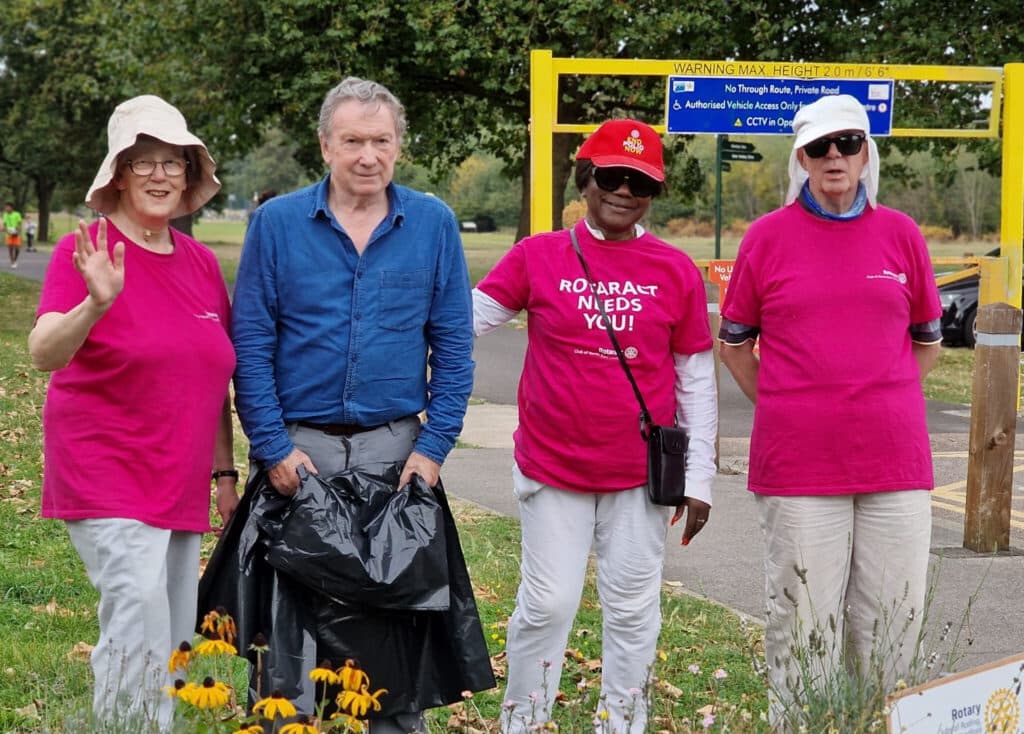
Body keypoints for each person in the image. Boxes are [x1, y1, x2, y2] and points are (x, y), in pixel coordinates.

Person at [231, 76, 476, 733]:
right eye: (353, 141)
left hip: (395, 458)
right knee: (288, 653)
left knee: (393, 652)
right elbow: (250, 346)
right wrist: (272, 448)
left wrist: (432, 450)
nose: (368, 155)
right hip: (298, 453)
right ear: (325, 146)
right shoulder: (277, 225)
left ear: (398, 146)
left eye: (381, 140)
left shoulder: (432, 224)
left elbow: (453, 350)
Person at [473, 118, 718, 734]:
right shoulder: (538, 255)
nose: (625, 191)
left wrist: (701, 476)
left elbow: (694, 379)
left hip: (639, 476)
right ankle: (523, 722)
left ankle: (623, 723)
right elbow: (463, 321)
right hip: (553, 469)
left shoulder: (675, 270)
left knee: (633, 611)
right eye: (611, 175)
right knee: (547, 604)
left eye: (641, 182)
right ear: (586, 179)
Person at [717, 94, 942, 724]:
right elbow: (733, 343)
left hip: (895, 464)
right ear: (802, 158)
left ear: (867, 152)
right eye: (820, 147)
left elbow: (926, 342)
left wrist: (884, 391)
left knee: (892, 627)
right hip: (799, 467)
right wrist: (787, 404)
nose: (835, 157)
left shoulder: (901, 234)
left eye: (847, 143)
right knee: (803, 626)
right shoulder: (767, 237)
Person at [27, 95, 237, 728]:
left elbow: (214, 378)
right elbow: (42, 352)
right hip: (106, 467)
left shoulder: (201, 264)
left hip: (177, 476)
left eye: (173, 161)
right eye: (143, 160)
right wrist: (95, 305)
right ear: (117, 173)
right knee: (136, 614)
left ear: (189, 174)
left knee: (173, 632)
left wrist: (225, 476)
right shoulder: (84, 248)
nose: (159, 174)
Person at [3, 202, 22, 268]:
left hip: (16, 233)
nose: (6, 208)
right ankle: (12, 262)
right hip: (9, 234)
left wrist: (18, 231)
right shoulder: (5, 215)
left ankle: (15, 259)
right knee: (10, 248)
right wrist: (7, 231)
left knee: (17, 249)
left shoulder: (17, 214)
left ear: (11, 208)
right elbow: (4, 224)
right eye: (6, 207)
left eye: (8, 207)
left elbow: (19, 223)